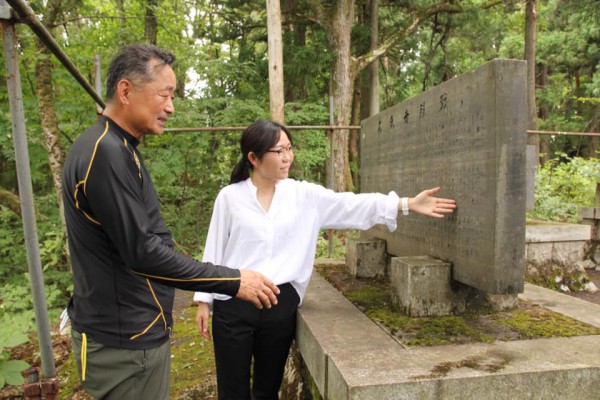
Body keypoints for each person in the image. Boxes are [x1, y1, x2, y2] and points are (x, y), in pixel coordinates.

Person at [61, 44, 280, 400]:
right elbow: (143, 253)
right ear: (126, 91)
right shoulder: (106, 153)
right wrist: (232, 280)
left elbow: (147, 239)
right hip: (126, 344)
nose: (171, 107)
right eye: (164, 94)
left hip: (132, 333)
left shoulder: (120, 148)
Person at [194, 119, 457, 399]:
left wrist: (406, 204)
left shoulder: (303, 195)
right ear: (254, 158)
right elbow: (215, 249)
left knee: (266, 390)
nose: (288, 157)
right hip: (234, 302)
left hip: (278, 303)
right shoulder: (230, 198)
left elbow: (352, 204)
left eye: (289, 149)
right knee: (231, 391)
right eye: (279, 151)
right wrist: (203, 301)